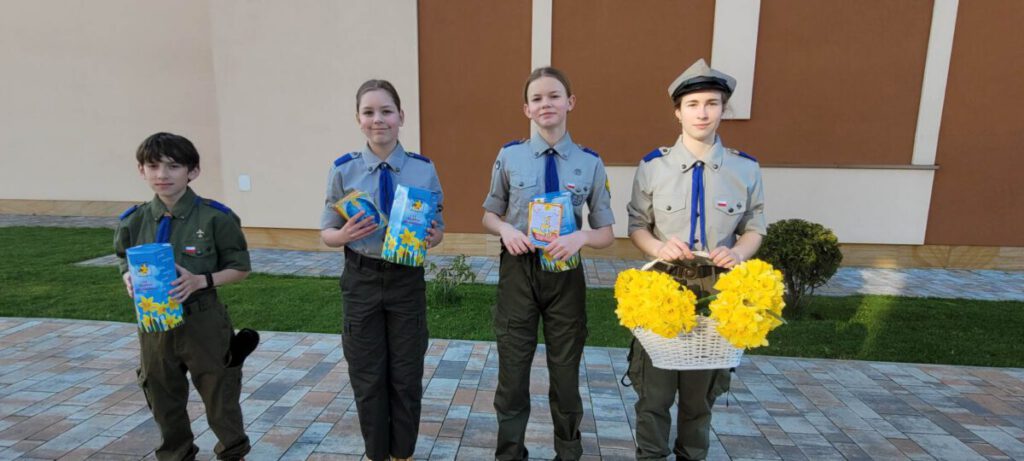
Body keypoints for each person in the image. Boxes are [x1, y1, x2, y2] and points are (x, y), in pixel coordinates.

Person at [625, 58, 767, 460]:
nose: (702, 112)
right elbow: (637, 225)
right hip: (662, 287)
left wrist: (737, 252)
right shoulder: (653, 167)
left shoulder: (745, 169)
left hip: (716, 293)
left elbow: (755, 226)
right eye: (692, 104)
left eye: (712, 103)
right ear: (678, 112)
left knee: (699, 399)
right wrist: (657, 248)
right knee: (654, 395)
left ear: (723, 109)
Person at [482, 67, 616, 461]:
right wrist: (506, 229)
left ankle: (568, 453)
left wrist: (581, 238)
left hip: (565, 274)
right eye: (537, 98)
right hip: (519, 271)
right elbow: (489, 214)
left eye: (554, 96)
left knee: (565, 374)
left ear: (570, 102)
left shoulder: (590, 163)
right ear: (526, 109)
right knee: (512, 373)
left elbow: (606, 232)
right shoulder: (510, 156)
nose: (546, 104)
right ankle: (509, 454)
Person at [320, 79, 444, 461]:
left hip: (406, 279)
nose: (378, 120)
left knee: (406, 376)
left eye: (386, 111)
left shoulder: (423, 169)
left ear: (401, 116)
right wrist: (343, 234)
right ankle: (376, 454)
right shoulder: (344, 170)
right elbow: (326, 232)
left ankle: (402, 454)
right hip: (362, 278)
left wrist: (433, 236)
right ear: (358, 119)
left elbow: (438, 227)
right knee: (368, 376)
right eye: (369, 112)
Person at [114, 132, 252, 461]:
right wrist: (128, 277)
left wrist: (201, 281)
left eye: (173, 166)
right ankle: (175, 454)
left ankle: (232, 452)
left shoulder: (216, 218)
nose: (162, 174)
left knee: (219, 391)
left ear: (193, 171)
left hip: (202, 320)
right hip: (154, 323)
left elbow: (241, 268)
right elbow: (123, 257)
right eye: (153, 166)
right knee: (161, 393)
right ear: (141, 170)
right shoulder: (133, 221)